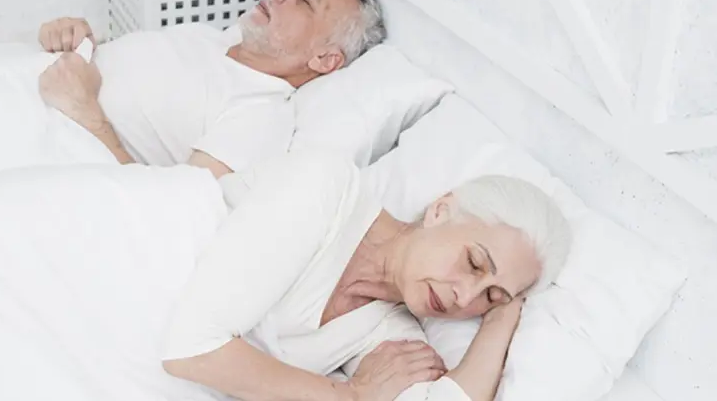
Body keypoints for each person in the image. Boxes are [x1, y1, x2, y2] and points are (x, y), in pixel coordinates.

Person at [161, 152, 572, 401]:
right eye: (474, 263)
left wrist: (502, 318)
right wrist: (351, 395)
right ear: (440, 211)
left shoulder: (391, 336)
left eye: (488, 296)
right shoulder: (325, 187)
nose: (465, 298)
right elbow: (191, 347)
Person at [36, 0, 386, 179]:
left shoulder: (258, 115)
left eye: (305, 1)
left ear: (325, 59)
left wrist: (86, 113)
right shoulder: (208, 38)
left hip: (39, 150)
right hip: (23, 93)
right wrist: (72, 36)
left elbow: (169, 216)